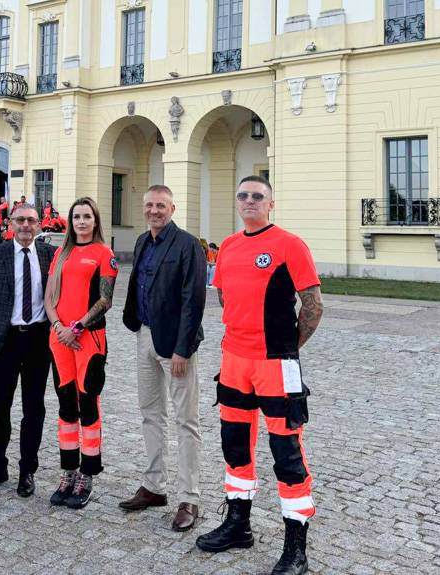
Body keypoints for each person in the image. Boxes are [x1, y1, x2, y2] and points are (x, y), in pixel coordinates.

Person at [195, 176, 323, 575]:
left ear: (271, 204)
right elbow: (222, 295)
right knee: (235, 445)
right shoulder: (229, 246)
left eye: (258, 196)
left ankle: (296, 549)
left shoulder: (289, 244)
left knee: (287, 454)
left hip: (275, 365)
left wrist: (287, 347)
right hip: (233, 361)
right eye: (243, 195)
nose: (249, 201)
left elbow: (313, 306)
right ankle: (238, 526)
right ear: (237, 203)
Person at [119, 185, 207, 532]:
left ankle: (191, 497)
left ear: (173, 207)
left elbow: (193, 299)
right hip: (144, 334)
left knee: (186, 421)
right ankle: (155, 486)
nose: (155, 211)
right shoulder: (143, 241)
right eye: (150, 205)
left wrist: (183, 349)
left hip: (175, 345)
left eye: (161, 205)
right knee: (150, 414)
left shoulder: (187, 244)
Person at [0, 203, 56, 498]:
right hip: (4, 341)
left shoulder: (50, 256)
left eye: (31, 220)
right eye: (20, 220)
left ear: (39, 224)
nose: (26, 225)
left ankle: (27, 470)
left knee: (34, 409)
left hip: (38, 341)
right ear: (10, 224)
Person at [44, 197, 118, 509]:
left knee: (88, 404)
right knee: (65, 405)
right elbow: (49, 296)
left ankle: (88, 474)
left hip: (89, 339)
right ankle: (68, 471)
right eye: (77, 217)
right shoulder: (61, 253)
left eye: (87, 216)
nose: (82, 222)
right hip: (59, 338)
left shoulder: (105, 253)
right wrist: (60, 326)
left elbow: (106, 300)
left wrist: (77, 327)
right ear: (70, 222)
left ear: (95, 220)